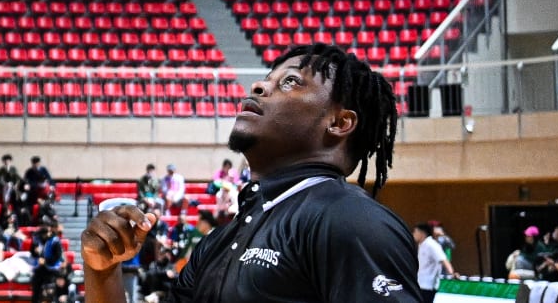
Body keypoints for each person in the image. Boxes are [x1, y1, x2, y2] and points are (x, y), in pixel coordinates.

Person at [80, 43, 421, 303]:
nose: (259, 86)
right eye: (267, 78)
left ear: (339, 122)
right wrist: (103, 269)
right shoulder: (221, 239)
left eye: (290, 82)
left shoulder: (349, 220)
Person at [414, 221, 454, 294]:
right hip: (420, 284)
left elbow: (444, 260)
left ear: (422, 233)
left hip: (428, 286)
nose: (413, 234)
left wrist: (451, 274)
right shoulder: (422, 244)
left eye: (415, 232)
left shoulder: (432, 244)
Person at [30, 223, 63, 303]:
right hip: (39, 269)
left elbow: (57, 257)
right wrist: (35, 251)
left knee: (50, 291)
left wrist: (46, 261)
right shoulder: (37, 240)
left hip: (51, 269)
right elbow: (32, 252)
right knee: (36, 290)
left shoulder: (55, 241)